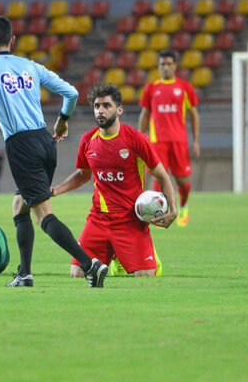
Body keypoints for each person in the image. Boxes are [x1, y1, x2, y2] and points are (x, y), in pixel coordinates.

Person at [0, 15, 108, 288]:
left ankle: (90, 265)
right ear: (13, 40)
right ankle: (25, 273)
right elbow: (70, 93)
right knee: (20, 205)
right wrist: (63, 120)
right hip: (45, 141)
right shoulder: (30, 66)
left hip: (21, 146)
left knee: (43, 214)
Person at [53, 83, 177, 277]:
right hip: (98, 219)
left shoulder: (136, 139)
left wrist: (174, 209)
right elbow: (83, 174)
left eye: (106, 106)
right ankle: (114, 257)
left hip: (130, 220)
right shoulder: (88, 140)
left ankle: (143, 256)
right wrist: (55, 190)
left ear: (119, 109)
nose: (100, 111)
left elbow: (162, 175)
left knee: (146, 276)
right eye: (96, 106)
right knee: (77, 273)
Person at [139, 50, 200, 227]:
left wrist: (195, 140)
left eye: (168, 64)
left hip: (179, 141)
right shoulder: (151, 88)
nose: (165, 67)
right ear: (159, 67)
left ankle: (183, 207)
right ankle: (157, 215)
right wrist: (140, 138)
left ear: (175, 66)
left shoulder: (184, 87)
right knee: (157, 179)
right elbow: (145, 114)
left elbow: (194, 114)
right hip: (157, 142)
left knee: (182, 181)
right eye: (162, 64)